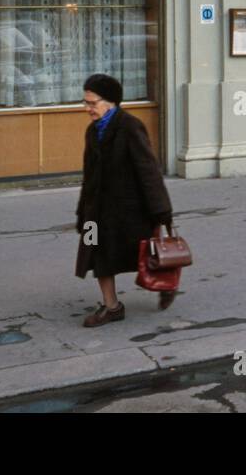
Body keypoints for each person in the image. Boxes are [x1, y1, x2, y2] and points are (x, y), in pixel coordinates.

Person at [74, 73, 174, 327]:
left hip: (129, 210)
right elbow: (89, 175)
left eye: (92, 103)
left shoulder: (130, 126)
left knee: (147, 254)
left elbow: (148, 170)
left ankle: (165, 283)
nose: (87, 109)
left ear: (110, 103)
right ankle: (112, 307)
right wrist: (81, 213)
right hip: (96, 211)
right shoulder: (91, 131)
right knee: (97, 255)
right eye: (85, 103)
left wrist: (161, 210)